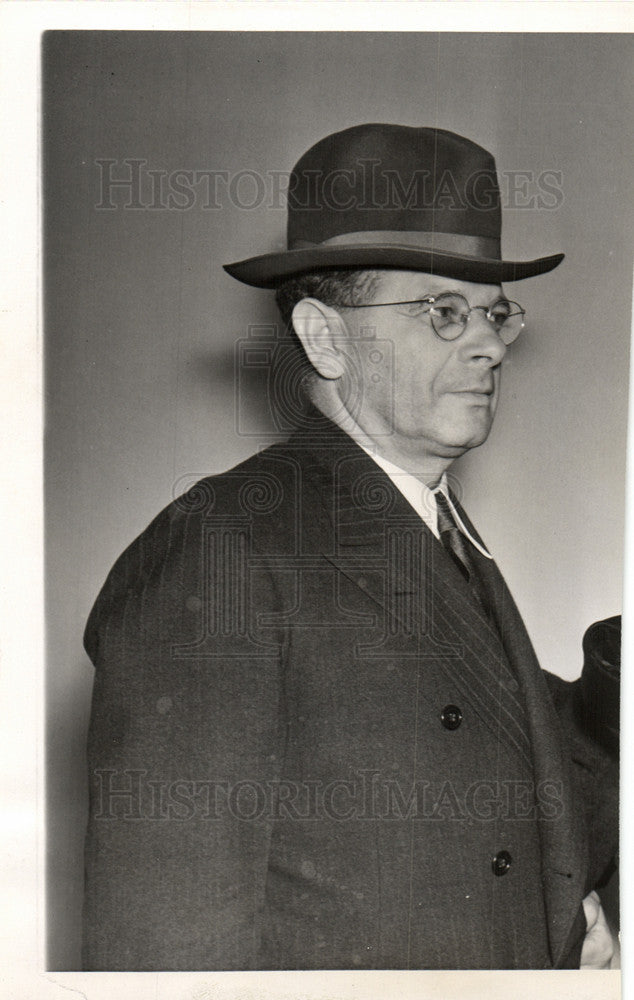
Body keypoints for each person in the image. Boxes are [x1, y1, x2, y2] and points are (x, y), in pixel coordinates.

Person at [82, 124, 619, 971]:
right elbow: (164, 951)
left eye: (495, 314)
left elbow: (517, 770)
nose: (486, 344)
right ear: (325, 338)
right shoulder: (223, 546)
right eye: (443, 312)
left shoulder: (437, 533)